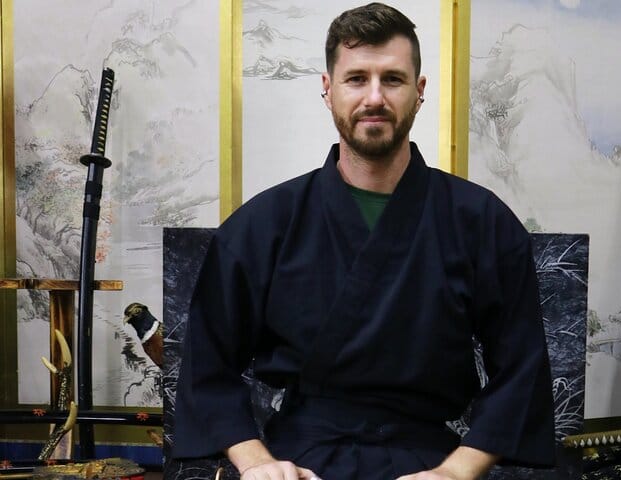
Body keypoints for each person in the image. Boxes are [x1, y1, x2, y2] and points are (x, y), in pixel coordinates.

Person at [173, 3, 555, 479]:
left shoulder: (482, 221)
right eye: (356, 79)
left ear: (419, 91)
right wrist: (258, 465)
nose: (374, 97)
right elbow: (207, 367)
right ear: (328, 89)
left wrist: (457, 472)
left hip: (431, 462)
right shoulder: (263, 224)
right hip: (298, 461)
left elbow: (521, 369)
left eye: (392, 79)